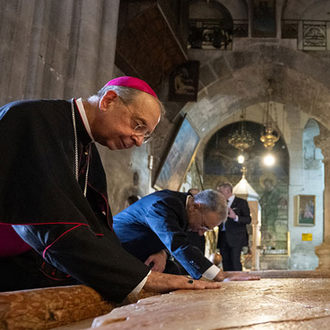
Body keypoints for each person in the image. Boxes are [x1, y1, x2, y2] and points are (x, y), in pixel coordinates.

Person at [0, 76, 222, 302]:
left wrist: (136, 277)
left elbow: (98, 228)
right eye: (138, 125)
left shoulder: (88, 150)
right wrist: (145, 279)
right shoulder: (29, 119)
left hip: (43, 263)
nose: (137, 140)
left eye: (145, 135)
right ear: (108, 100)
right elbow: (49, 224)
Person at [113, 189, 259, 282]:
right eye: (203, 225)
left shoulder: (181, 207)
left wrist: (162, 253)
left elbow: (165, 236)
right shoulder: (165, 204)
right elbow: (177, 243)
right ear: (196, 206)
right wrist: (220, 275)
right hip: (118, 251)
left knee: (175, 272)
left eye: (207, 230)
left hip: (142, 251)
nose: (201, 232)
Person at [216, 182, 251, 271]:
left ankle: (238, 282)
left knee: (235, 261)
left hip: (236, 237)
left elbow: (248, 219)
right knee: (225, 262)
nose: (219, 194)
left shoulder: (241, 203)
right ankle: (228, 282)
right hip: (223, 236)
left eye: (221, 192)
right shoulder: (220, 204)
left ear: (228, 191)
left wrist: (235, 217)